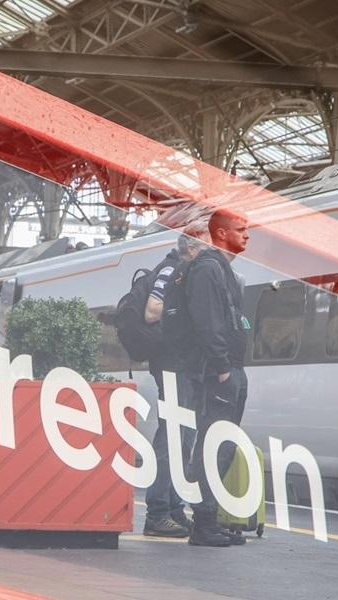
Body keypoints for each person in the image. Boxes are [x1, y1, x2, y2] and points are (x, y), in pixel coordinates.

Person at [177, 209, 250, 547]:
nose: (247, 235)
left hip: (228, 368)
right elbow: (208, 322)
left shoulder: (219, 268)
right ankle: (203, 523)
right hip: (216, 372)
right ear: (220, 233)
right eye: (241, 229)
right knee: (213, 445)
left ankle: (210, 519)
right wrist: (221, 364)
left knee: (223, 445)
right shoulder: (207, 269)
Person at [142, 222, 210, 538]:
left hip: (180, 365)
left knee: (182, 437)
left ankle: (172, 509)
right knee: (171, 436)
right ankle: (157, 513)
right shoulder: (170, 270)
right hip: (172, 365)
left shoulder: (181, 272)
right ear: (191, 248)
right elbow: (153, 311)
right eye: (205, 249)